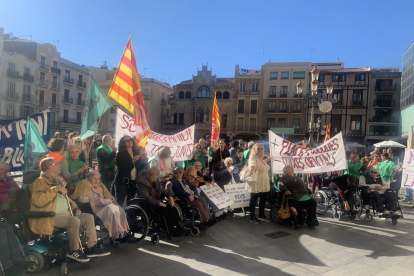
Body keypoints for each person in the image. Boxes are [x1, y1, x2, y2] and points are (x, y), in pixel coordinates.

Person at [29, 157, 110, 262]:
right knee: (74, 220)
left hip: (66, 214)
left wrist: (75, 207)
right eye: (57, 164)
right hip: (50, 216)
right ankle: (74, 250)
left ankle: (91, 247)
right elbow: (38, 201)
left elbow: (67, 199)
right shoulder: (39, 182)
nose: (60, 166)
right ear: (50, 167)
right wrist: (55, 190)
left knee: (89, 217)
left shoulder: (56, 181)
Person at [72, 171, 129, 240]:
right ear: (89, 179)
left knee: (120, 210)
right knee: (112, 210)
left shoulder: (101, 186)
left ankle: (122, 231)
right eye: (94, 178)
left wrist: (108, 199)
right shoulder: (85, 185)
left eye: (98, 179)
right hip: (93, 207)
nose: (96, 181)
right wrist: (96, 200)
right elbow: (81, 199)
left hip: (104, 204)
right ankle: (115, 234)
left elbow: (107, 195)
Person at [136, 167, 185, 238]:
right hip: (147, 204)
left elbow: (162, 190)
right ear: (148, 175)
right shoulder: (141, 184)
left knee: (171, 207)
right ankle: (171, 230)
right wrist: (159, 203)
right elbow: (148, 198)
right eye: (153, 178)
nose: (155, 179)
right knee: (164, 209)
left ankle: (178, 227)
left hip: (156, 201)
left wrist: (170, 196)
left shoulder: (155, 180)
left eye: (156, 177)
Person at [246, 143, 271, 224]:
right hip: (256, 182)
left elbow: (260, 165)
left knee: (263, 199)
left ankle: (261, 215)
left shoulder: (260, 159)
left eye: (261, 148)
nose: (260, 150)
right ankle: (252, 216)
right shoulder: (252, 157)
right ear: (254, 149)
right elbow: (252, 165)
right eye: (258, 148)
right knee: (254, 200)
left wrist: (267, 160)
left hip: (263, 182)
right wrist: (251, 170)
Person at [114, 136, 140, 206]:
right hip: (123, 181)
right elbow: (122, 168)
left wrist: (144, 160)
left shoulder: (136, 152)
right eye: (126, 141)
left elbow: (140, 167)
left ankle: (128, 216)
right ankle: (119, 216)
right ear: (123, 143)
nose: (129, 141)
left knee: (131, 201)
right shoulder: (120, 154)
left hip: (133, 180)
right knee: (120, 201)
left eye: (130, 140)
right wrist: (132, 161)